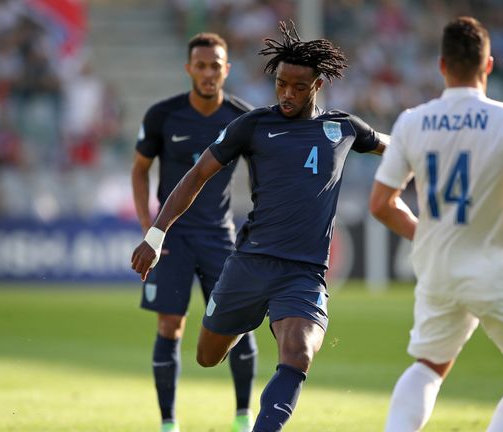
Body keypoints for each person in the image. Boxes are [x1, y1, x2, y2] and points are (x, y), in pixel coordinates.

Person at [132, 21, 388, 431]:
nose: (286, 94)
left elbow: (393, 147)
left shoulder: (343, 128)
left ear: (317, 86)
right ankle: (240, 322)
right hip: (249, 264)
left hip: (303, 273)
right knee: (206, 355)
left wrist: (426, 151)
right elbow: (197, 175)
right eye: (281, 84)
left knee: (298, 354)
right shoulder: (253, 125)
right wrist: (156, 232)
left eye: (297, 87)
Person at [369, 16, 503, 432]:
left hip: (439, 268)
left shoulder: (411, 121)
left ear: (442, 66)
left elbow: (381, 204)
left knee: (428, 366)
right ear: (489, 64)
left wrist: (425, 236)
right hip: (497, 269)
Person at [131, 32, 257, 432]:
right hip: (172, 239)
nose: (207, 73)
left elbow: (265, 176)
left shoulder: (243, 118)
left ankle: (242, 418)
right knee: (170, 324)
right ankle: (168, 423)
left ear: (226, 69)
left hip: (219, 238)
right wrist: (150, 230)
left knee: (235, 324)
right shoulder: (162, 115)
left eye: (214, 66)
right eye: (200, 66)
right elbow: (139, 170)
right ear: (188, 68)